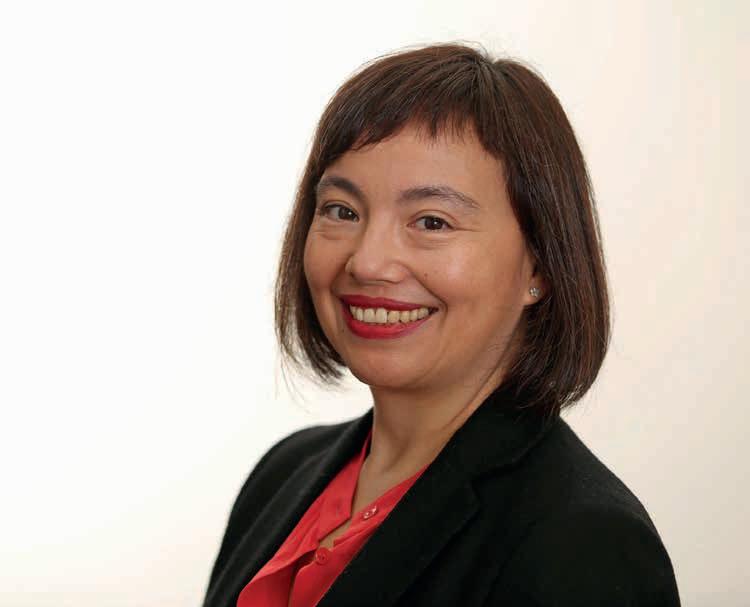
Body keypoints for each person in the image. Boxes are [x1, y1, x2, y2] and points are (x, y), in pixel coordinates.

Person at [202, 42, 681, 607]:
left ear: (540, 266)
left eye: (431, 221)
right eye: (342, 211)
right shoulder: (283, 475)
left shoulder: (584, 546)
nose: (367, 262)